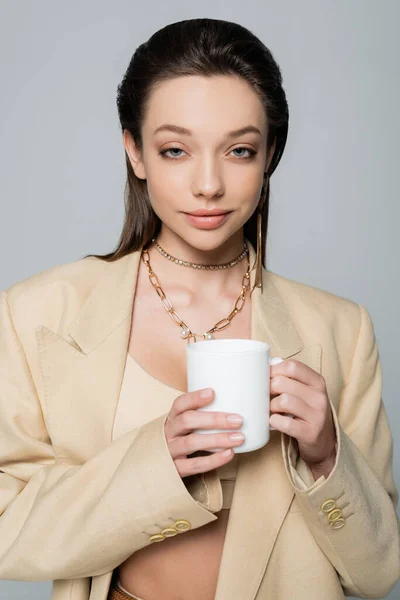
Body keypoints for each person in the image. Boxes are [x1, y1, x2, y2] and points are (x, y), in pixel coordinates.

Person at [0, 16, 399, 600]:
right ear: (135, 151)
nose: (208, 184)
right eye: (175, 149)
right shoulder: (37, 314)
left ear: (269, 157)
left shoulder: (342, 329)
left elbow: (379, 572)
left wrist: (327, 455)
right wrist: (151, 465)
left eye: (239, 150)